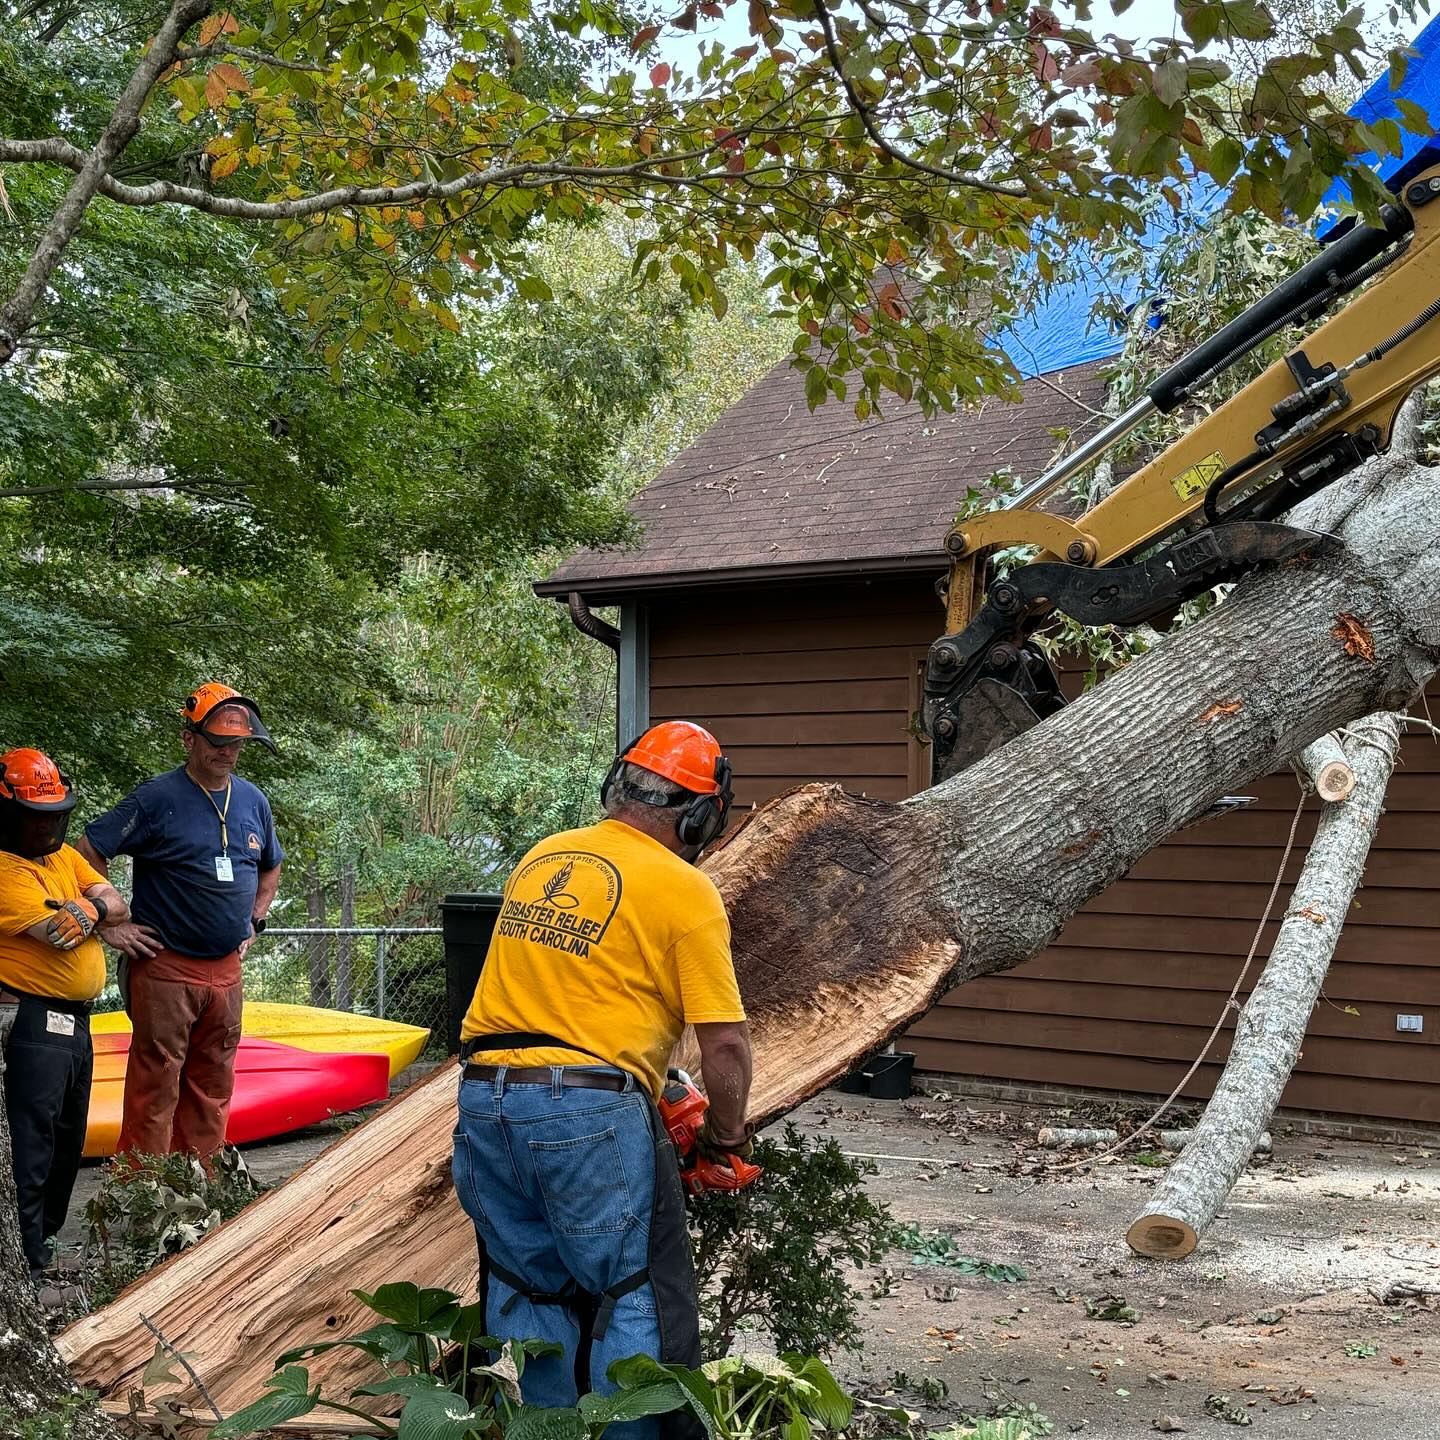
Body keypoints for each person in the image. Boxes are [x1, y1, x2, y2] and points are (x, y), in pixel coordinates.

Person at [452, 721, 753, 1435]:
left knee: (529, 1290)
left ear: (616, 786)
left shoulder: (544, 856)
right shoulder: (685, 889)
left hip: (484, 1098)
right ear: (702, 815)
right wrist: (721, 1140)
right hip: (586, 1111)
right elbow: (728, 1047)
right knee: (632, 1292)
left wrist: (660, 1084)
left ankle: (537, 1427)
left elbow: (575, 998)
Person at [76, 684, 283, 1161]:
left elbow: (271, 863)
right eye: (216, 742)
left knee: (214, 1083)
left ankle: (199, 1190)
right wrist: (110, 923)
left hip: (226, 969)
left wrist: (256, 919)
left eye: (236, 744)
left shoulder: (253, 801)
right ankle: (143, 1192)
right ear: (189, 739)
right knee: (157, 1082)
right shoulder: (155, 798)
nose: (227, 753)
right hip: (166, 966)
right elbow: (88, 852)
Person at [0, 748, 129, 1289]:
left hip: (76, 1021)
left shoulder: (59, 860)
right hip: (32, 1021)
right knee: (32, 1145)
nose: (49, 825)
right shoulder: (6, 870)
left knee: (69, 1140)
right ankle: (28, 1265)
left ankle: (46, 1246)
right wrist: (87, 909)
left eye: (56, 814)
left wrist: (92, 907)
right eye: (37, 816)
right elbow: (55, 934)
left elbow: (114, 899)